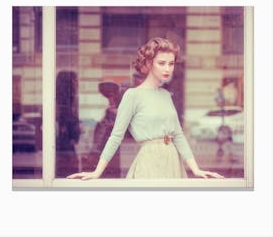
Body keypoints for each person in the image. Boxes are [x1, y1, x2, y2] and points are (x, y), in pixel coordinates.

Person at [67, 37, 224, 180]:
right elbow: (116, 136)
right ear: (149, 63)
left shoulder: (166, 95)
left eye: (171, 64)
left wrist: (195, 169)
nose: (167, 69)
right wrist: (97, 172)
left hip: (173, 162)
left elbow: (178, 135)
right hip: (149, 162)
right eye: (161, 63)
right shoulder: (132, 95)